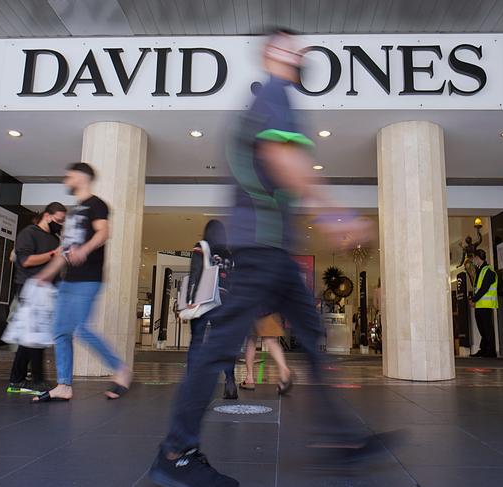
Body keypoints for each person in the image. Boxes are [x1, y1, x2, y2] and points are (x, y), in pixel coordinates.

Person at [149, 30, 374, 487]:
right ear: (274, 53)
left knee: (310, 338)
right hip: (261, 250)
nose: (302, 53)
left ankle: (343, 439)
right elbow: (283, 160)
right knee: (218, 350)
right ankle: (175, 452)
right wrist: (338, 215)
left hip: (274, 251)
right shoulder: (274, 94)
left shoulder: (276, 97)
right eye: (294, 47)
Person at [32, 162, 131, 402]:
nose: (66, 180)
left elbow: (103, 232)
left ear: (82, 177)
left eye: (70, 176)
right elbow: (65, 250)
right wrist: (47, 273)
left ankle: (120, 369)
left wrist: (85, 250)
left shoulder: (97, 205)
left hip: (88, 277)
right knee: (60, 332)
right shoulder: (74, 211)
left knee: (80, 328)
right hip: (69, 279)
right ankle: (64, 385)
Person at [6, 202, 66, 394]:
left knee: (33, 336)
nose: (61, 224)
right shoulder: (29, 233)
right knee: (35, 335)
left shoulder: (55, 239)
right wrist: (52, 254)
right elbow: (26, 261)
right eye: (59, 220)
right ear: (47, 216)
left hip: (48, 290)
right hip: (29, 287)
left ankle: (18, 379)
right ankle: (36, 379)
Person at [185, 219, 237, 400]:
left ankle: (192, 384)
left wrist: (190, 298)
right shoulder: (229, 253)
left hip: (204, 298)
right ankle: (230, 382)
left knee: (197, 341)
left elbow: (196, 271)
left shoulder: (201, 246)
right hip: (225, 300)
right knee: (224, 342)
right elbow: (233, 279)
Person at [239, 312, 292, 395]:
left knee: (251, 339)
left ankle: (249, 379)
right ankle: (283, 369)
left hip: (253, 306)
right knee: (271, 340)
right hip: (271, 306)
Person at [470, 249, 498, 358]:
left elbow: (484, 288)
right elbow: (477, 288)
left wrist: (474, 299)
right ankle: (484, 349)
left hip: (486, 305)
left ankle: (491, 351)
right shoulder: (480, 270)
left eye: (474, 258)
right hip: (479, 305)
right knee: (482, 328)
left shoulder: (489, 271)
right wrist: (473, 299)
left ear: (477, 258)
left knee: (487, 328)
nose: (473, 261)